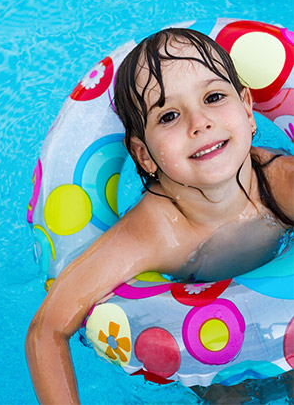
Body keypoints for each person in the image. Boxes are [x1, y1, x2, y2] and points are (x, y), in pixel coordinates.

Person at [25, 28, 294, 404]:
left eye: (214, 97)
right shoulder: (153, 232)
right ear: (144, 154)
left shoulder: (280, 183)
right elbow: (46, 330)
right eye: (168, 116)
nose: (199, 123)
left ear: (248, 109)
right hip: (215, 364)